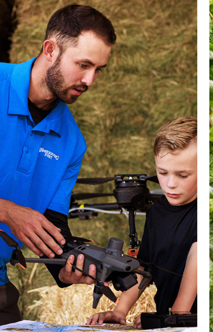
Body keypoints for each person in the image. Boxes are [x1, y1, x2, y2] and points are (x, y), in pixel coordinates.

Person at [0, 5, 115, 324]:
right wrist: (7, 211)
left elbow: (52, 223)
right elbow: (15, 216)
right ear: (50, 49)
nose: (90, 80)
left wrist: (66, 268)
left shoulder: (72, 142)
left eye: (98, 70)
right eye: (83, 65)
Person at [87, 116, 197, 327]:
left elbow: (197, 255)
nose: (170, 184)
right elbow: (145, 268)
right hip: (168, 321)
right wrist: (120, 310)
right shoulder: (156, 212)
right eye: (162, 173)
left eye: (183, 175)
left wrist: (177, 314)